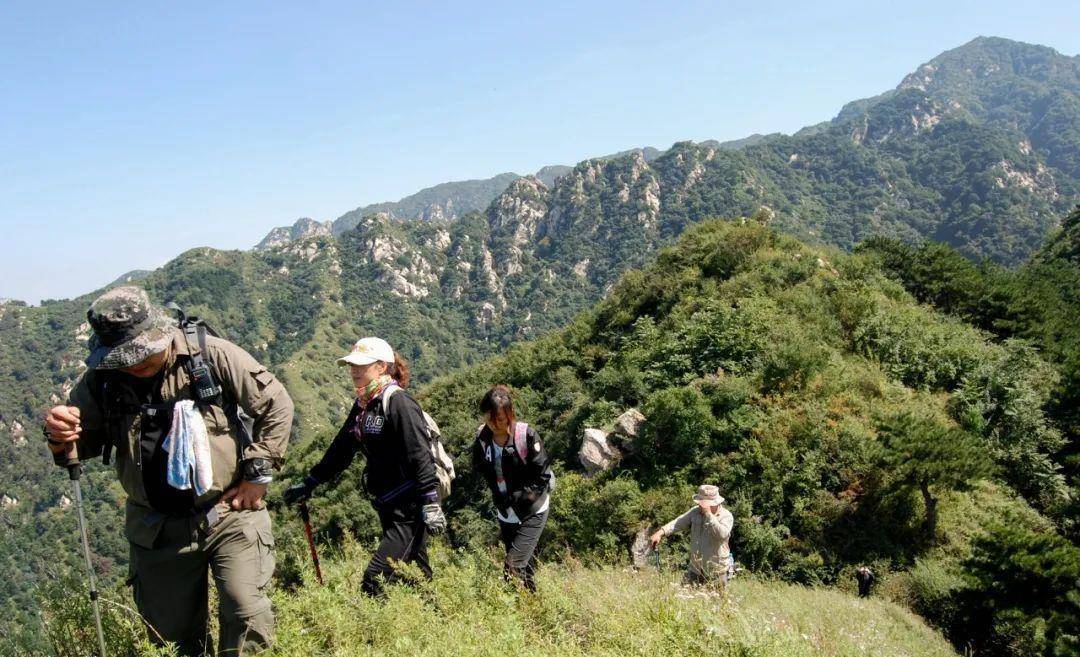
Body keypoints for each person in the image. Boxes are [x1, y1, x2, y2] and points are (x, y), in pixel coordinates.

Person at [43, 286, 294, 656]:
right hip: (157, 530)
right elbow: (79, 449)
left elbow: (276, 404)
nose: (136, 364)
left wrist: (256, 476)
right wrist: (58, 437)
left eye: (144, 354)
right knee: (171, 639)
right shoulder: (103, 381)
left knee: (246, 613)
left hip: (230, 514)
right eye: (125, 357)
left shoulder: (211, 355)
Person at [283, 337, 447, 596]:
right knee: (416, 576)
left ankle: (374, 634)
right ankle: (437, 623)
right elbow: (341, 449)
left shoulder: (398, 402)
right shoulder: (364, 405)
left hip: (410, 507)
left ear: (382, 366)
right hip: (388, 504)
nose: (354, 371)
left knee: (375, 579)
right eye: (351, 365)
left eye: (361, 365)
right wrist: (311, 482)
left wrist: (430, 502)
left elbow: (419, 453)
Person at [471, 385, 554, 592]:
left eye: (501, 419)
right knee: (525, 568)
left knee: (513, 566)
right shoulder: (482, 440)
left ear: (510, 414)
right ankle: (532, 610)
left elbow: (542, 474)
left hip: (533, 508)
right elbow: (481, 468)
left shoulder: (526, 435)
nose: (497, 424)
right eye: (491, 419)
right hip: (506, 511)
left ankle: (512, 609)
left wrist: (522, 496)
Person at [649, 484, 734, 586]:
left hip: (716, 571)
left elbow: (722, 534)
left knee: (716, 601)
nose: (699, 505)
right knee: (687, 598)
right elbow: (678, 522)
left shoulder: (726, 516)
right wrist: (660, 532)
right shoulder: (695, 512)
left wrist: (709, 515)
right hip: (696, 569)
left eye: (702, 503)